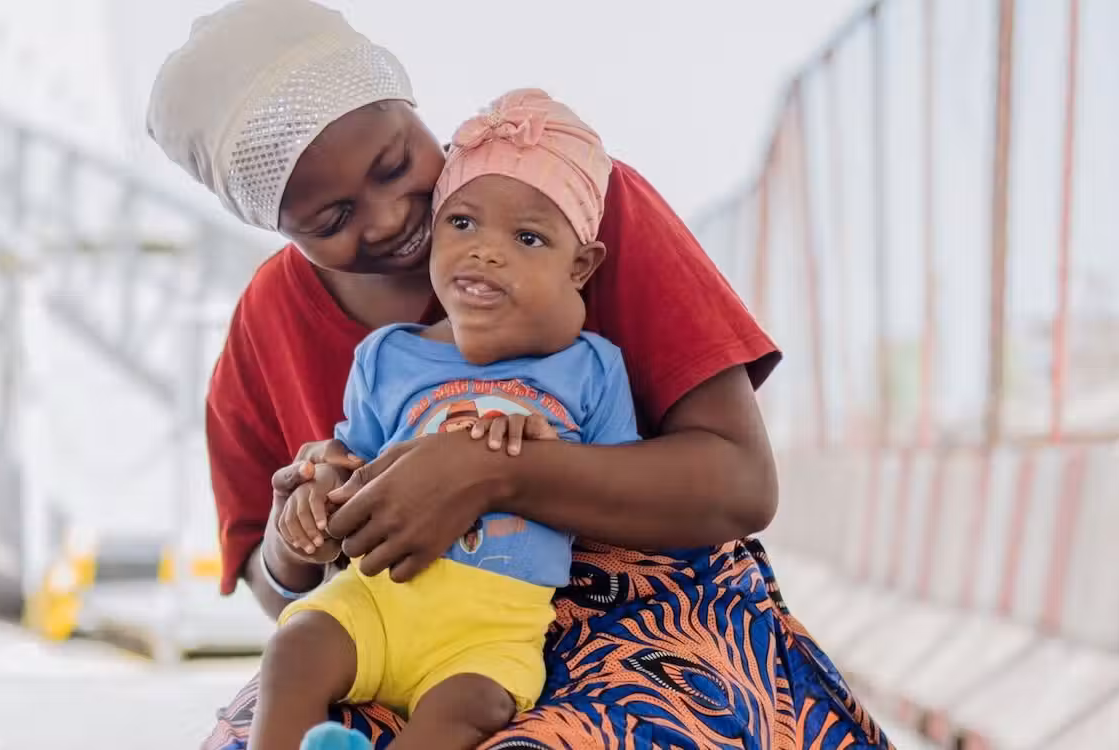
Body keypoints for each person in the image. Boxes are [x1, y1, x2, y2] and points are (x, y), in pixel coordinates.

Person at [146, 1, 893, 747]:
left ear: (409, 104)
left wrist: (494, 472)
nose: (387, 217)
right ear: (278, 227)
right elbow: (276, 587)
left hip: (645, 608)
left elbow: (741, 485)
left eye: (395, 164)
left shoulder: (569, 204)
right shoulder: (268, 324)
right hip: (395, 623)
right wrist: (299, 535)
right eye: (330, 220)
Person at [260, 89, 638, 750]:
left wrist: (546, 460)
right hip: (376, 601)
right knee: (295, 648)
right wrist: (315, 501)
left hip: (490, 633)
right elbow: (349, 469)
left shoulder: (592, 368)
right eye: (462, 223)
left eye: (527, 238)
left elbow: (624, 495)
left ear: (580, 266)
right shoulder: (387, 356)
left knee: (470, 707)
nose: (485, 251)